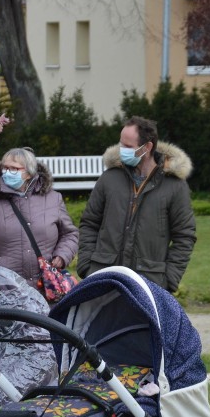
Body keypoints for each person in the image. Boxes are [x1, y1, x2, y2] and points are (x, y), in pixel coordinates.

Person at [77, 116, 196, 292]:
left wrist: (169, 280)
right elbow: (89, 223)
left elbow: (184, 236)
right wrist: (87, 266)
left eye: (128, 146)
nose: (121, 150)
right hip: (103, 278)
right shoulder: (109, 178)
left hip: (149, 284)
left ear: (147, 147)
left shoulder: (174, 186)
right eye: (120, 144)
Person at [0, 147, 79, 290]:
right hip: (4, 287)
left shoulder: (53, 199)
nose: (7, 173)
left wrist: (62, 255)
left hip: (45, 287)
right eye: (5, 168)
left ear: (28, 173)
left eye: (14, 169)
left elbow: (70, 234)